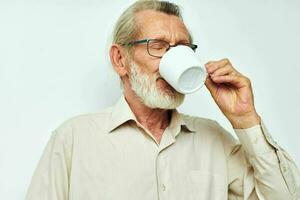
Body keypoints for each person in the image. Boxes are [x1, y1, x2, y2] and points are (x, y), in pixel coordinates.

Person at [26, 0, 300, 199]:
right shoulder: (74, 138)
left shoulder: (213, 139)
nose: (174, 60)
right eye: (158, 46)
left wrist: (245, 119)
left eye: (182, 49)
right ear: (120, 60)